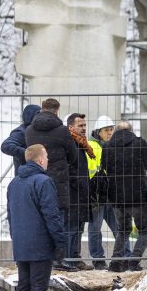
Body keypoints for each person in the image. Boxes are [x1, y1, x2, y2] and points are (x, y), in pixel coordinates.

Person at [7, 145, 67, 291]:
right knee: (39, 286)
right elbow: (51, 214)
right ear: (40, 160)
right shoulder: (44, 181)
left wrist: (16, 238)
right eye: (47, 157)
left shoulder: (14, 184)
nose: (48, 160)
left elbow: (10, 216)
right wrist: (60, 241)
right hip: (40, 242)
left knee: (23, 285)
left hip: (21, 243)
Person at [25, 98, 78, 271]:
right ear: (57, 111)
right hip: (58, 183)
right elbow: (73, 155)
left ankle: (40, 258)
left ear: (42, 109)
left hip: (35, 181)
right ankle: (58, 259)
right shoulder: (62, 130)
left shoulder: (30, 130)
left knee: (38, 220)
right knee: (57, 220)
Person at [102, 121, 147, 272]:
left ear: (116, 131)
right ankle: (134, 261)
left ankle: (116, 262)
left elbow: (104, 167)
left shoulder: (107, 147)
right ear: (131, 130)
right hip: (138, 196)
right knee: (145, 231)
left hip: (117, 197)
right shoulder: (139, 143)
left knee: (123, 231)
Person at [86, 115, 125, 269]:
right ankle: (98, 260)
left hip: (111, 195)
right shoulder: (91, 146)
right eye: (106, 130)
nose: (110, 133)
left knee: (119, 228)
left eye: (111, 129)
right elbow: (91, 171)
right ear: (98, 131)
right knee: (95, 229)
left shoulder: (114, 146)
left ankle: (125, 257)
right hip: (96, 195)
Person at [64, 113, 93, 270]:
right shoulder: (69, 143)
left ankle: (75, 257)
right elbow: (69, 168)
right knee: (72, 228)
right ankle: (69, 259)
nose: (83, 128)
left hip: (81, 191)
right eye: (80, 126)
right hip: (72, 192)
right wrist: (76, 182)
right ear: (71, 127)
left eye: (84, 125)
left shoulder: (81, 144)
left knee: (79, 227)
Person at [1, 104, 41, 175]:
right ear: (31, 117)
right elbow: (6, 146)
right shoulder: (21, 132)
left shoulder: (37, 130)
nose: (41, 117)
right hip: (24, 176)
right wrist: (27, 153)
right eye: (38, 115)